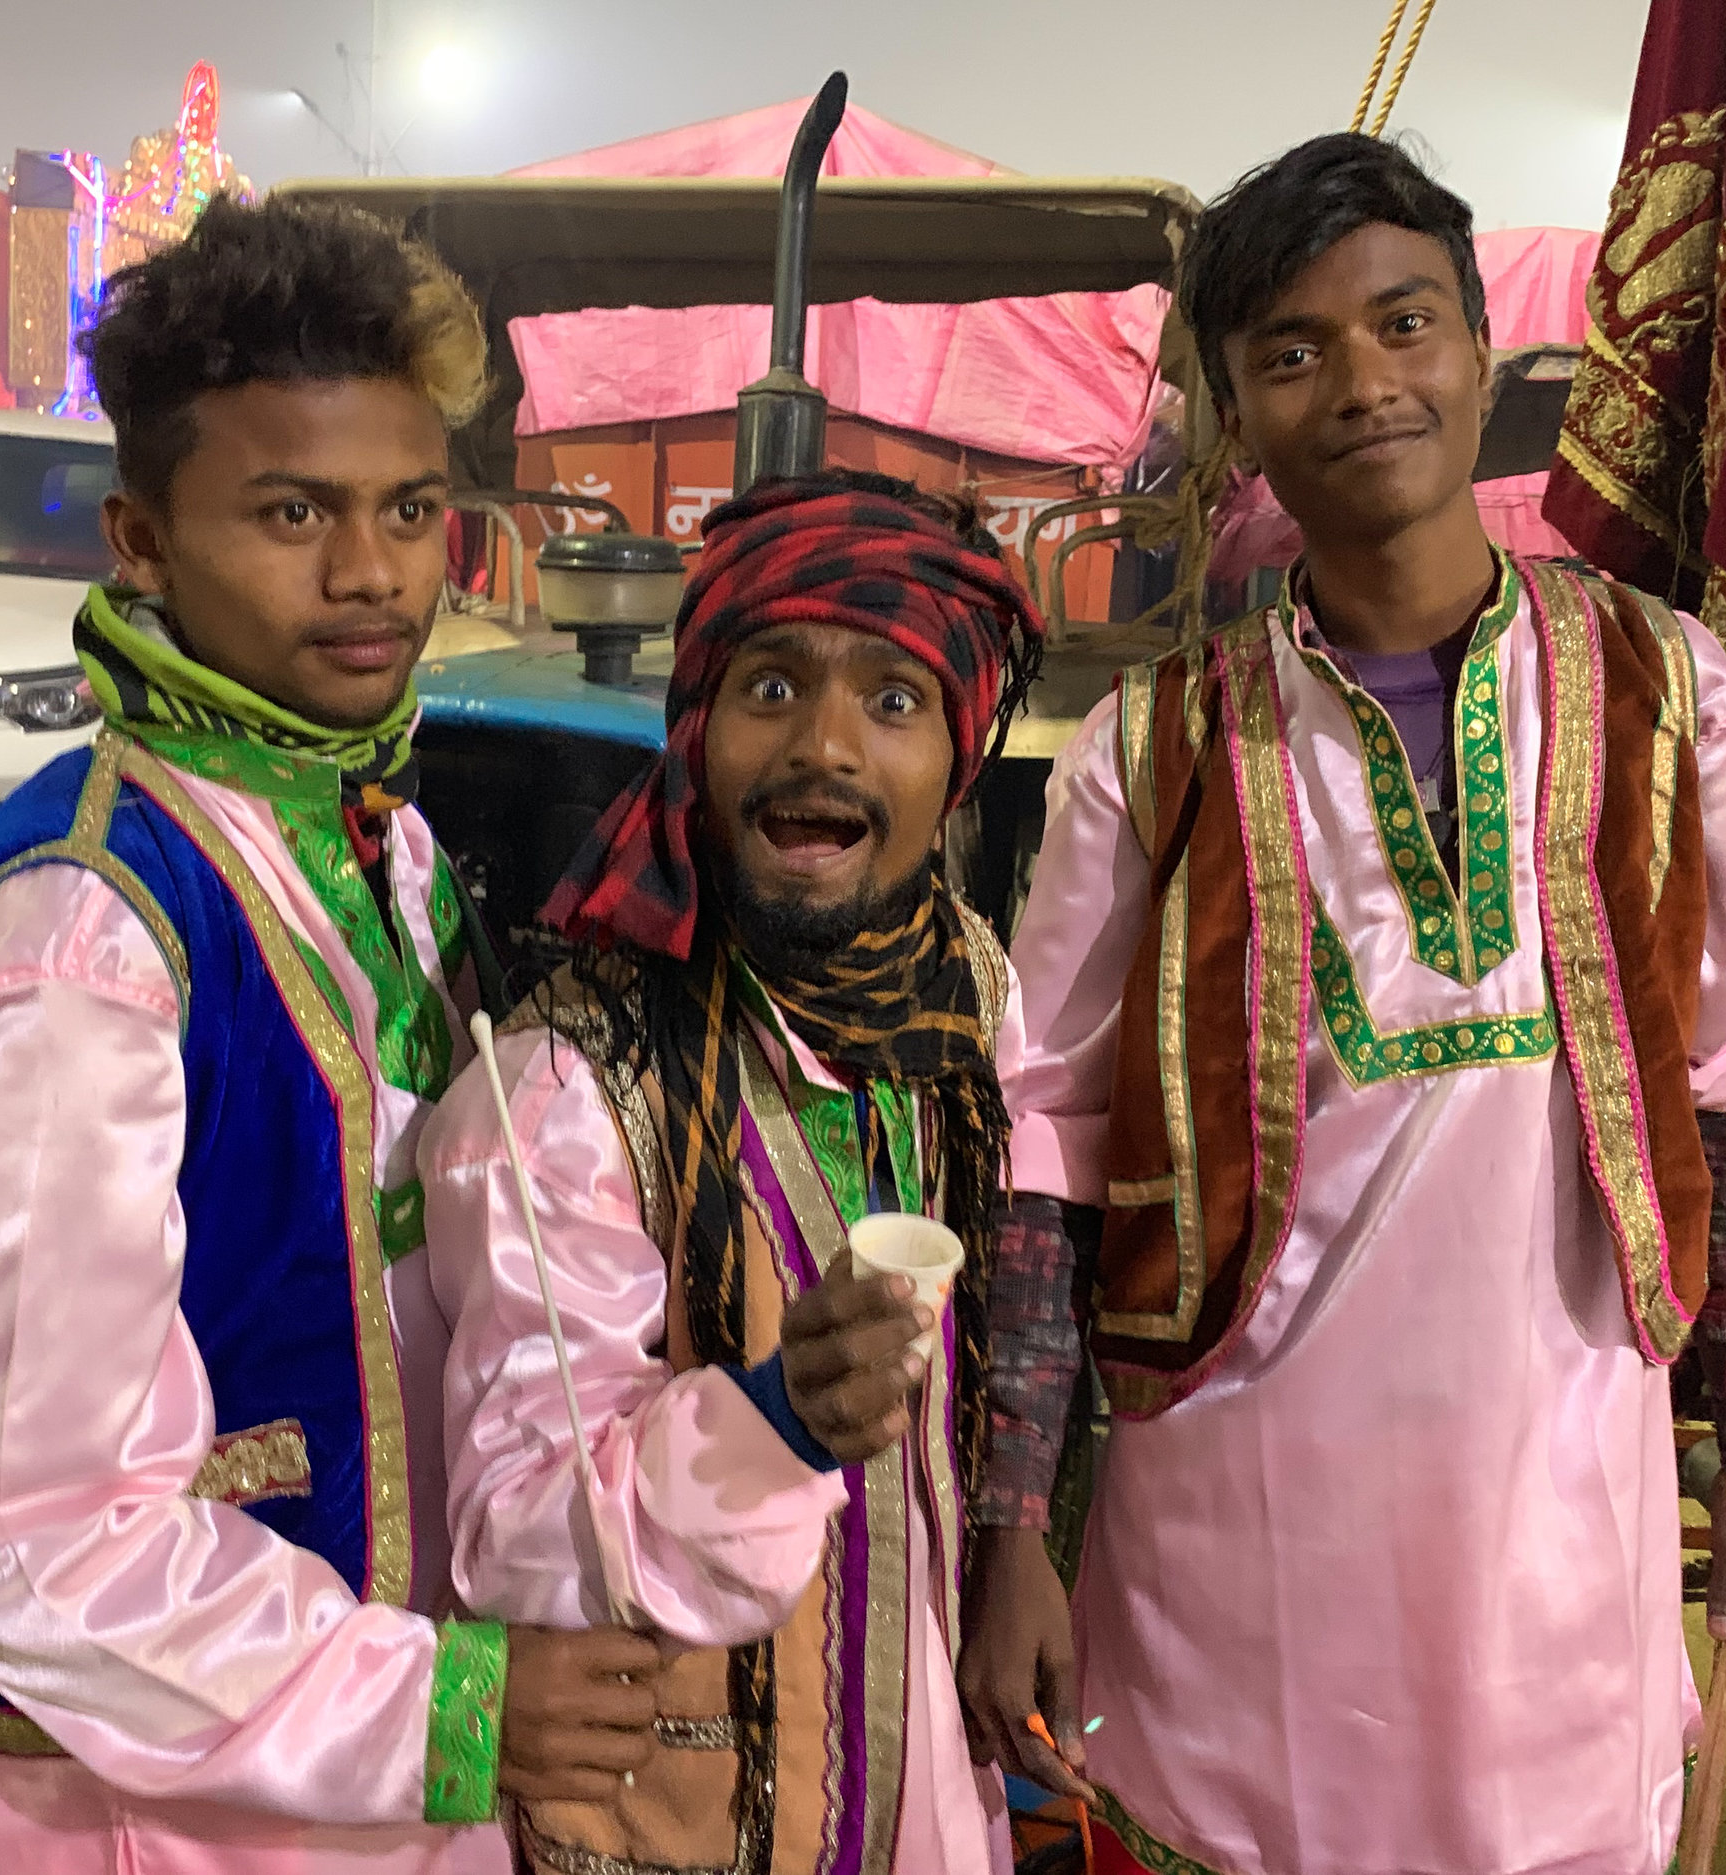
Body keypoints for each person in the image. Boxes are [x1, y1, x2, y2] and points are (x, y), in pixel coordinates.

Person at [962, 134, 1726, 1875]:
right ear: (1233, 410)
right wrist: (1012, 1525)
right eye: (1291, 351)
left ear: (1481, 351)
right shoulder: (1157, 746)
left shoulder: (1668, 687)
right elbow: (1045, 1135)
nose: (1361, 383)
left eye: (1402, 324)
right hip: (1244, 1508)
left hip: (1560, 1494)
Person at [0, 195, 661, 1874]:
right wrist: (446, 1710)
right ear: (140, 541)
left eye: (411, 509)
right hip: (162, 1803)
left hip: (390, 1731)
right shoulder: (82, 941)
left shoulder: (374, 835)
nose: (372, 574)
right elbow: (29, 1537)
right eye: (292, 511)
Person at [418, 471, 1048, 1874]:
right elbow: (514, 1528)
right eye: (772, 687)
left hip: (924, 1783)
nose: (824, 747)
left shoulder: (968, 1008)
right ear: (694, 735)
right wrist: (776, 1423)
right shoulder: (565, 1091)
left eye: (893, 702)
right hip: (680, 1821)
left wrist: (1018, 1544)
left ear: (957, 763)